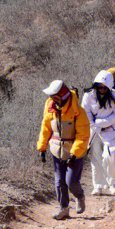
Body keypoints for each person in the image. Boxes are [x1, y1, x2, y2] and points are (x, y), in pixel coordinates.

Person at [37, 79, 90, 220]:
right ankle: (64, 208)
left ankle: (80, 196)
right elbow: (46, 128)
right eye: (51, 97)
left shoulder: (78, 112)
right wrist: (42, 147)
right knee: (60, 181)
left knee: (71, 182)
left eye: (55, 96)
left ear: (63, 96)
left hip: (74, 152)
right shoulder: (50, 107)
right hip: (56, 150)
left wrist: (75, 153)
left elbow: (83, 136)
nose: (52, 99)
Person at [81, 71, 115, 196]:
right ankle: (98, 186)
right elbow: (86, 114)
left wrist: (101, 122)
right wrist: (94, 125)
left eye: (104, 87)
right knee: (96, 158)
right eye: (99, 87)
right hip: (94, 131)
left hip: (111, 131)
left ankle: (113, 184)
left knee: (109, 157)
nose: (102, 89)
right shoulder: (88, 96)